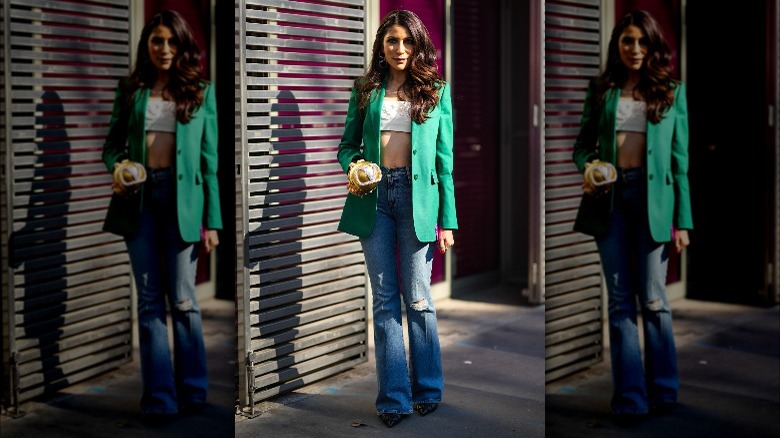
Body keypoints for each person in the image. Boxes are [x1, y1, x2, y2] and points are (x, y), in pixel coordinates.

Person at [336, 9, 457, 428]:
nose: (400, 49)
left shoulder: (436, 91)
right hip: (374, 197)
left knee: (419, 299)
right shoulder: (365, 90)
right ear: (381, 46)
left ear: (418, 44)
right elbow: (347, 145)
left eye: (407, 41)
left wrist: (449, 222)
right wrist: (354, 166)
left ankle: (428, 388)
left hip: (417, 198)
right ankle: (393, 398)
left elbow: (445, 163)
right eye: (392, 41)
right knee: (385, 300)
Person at [572, 10, 692, 421]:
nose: (635, 49)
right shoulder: (602, 89)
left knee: (655, 300)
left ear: (653, 45)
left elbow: (680, 163)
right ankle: (630, 399)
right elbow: (582, 145)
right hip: (610, 198)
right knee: (621, 302)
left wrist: (684, 222)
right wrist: (589, 167)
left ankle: (664, 391)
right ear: (617, 45)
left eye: (642, 42)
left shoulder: (672, 91)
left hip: (654, 201)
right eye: (627, 41)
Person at [102, 10, 221, 422]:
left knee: (184, 300)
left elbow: (210, 163)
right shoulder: (131, 89)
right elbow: (111, 145)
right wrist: (118, 166)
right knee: (150, 301)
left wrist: (214, 223)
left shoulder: (201, 91)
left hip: (182, 200)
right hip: (138, 199)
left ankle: (193, 392)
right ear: (146, 45)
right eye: (157, 41)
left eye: (172, 41)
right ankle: (159, 400)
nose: (165, 49)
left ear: (183, 45)